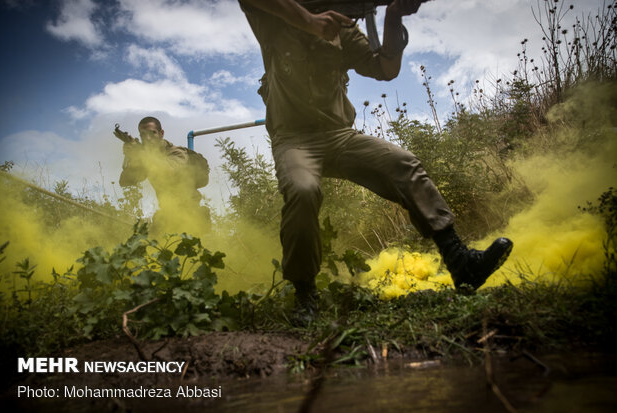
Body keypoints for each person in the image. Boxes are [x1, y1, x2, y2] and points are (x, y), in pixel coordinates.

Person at [238, 0, 513, 324]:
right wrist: (310, 21)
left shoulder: (343, 27)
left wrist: (393, 16)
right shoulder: (274, 20)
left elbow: (384, 68)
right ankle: (305, 296)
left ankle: (460, 261)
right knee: (303, 189)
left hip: (338, 135)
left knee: (402, 162)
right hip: (294, 140)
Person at [119, 116, 211, 234]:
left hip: (191, 214)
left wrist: (140, 153)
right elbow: (126, 181)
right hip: (166, 215)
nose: (148, 138)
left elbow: (168, 171)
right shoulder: (146, 156)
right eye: (143, 135)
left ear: (161, 133)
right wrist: (132, 157)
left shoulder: (177, 152)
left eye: (152, 133)